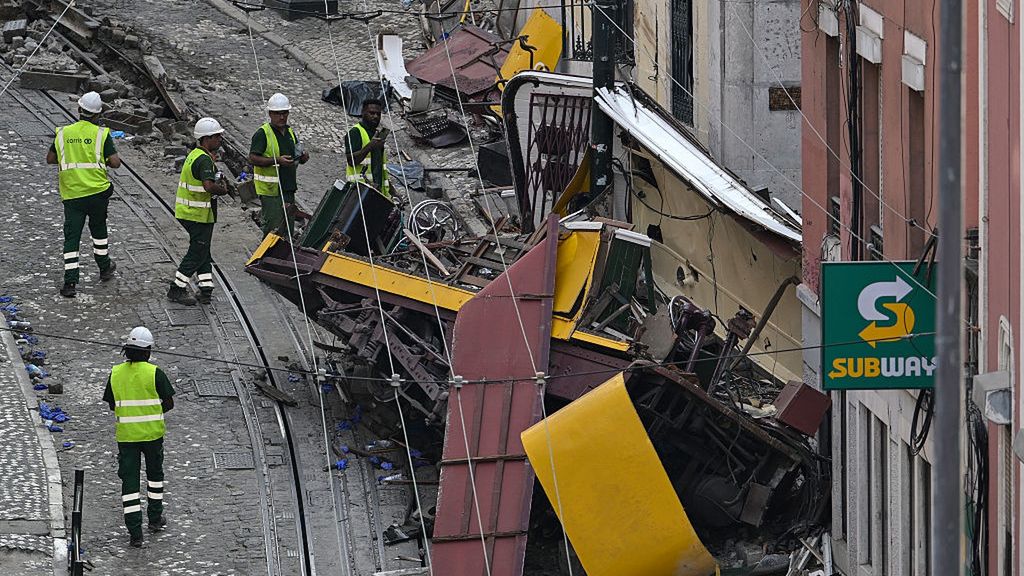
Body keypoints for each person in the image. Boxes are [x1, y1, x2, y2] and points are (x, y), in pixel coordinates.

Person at [102, 326, 174, 548]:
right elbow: (169, 403)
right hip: (152, 436)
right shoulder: (155, 373)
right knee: (154, 478)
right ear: (148, 351)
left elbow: (112, 404)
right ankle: (154, 519)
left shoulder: (115, 374)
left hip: (127, 438)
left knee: (130, 484)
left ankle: (135, 533)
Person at [45, 91, 120, 298]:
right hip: (97, 192)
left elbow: (50, 158)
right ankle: (104, 267)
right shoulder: (102, 135)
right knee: (99, 231)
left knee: (72, 237)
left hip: (73, 195)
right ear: (97, 115)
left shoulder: (63, 133)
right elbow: (115, 163)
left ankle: (70, 283)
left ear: (79, 110)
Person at [167, 118, 230, 306]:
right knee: (196, 252)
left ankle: (206, 289)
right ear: (206, 138)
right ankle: (176, 289)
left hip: (191, 212)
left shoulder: (195, 155)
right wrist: (224, 190)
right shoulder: (204, 160)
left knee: (203, 251)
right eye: (217, 136)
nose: (220, 139)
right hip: (197, 215)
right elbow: (209, 186)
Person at [249, 93, 309, 238]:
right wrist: (276, 160)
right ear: (270, 114)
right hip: (271, 192)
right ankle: (266, 258)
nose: (281, 117)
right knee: (273, 229)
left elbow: (296, 153)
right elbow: (252, 158)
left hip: (288, 187)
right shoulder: (263, 134)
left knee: (287, 228)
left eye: (284, 113)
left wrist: (302, 157)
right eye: (277, 114)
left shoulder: (289, 132)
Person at [344, 98, 390, 198]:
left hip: (376, 192)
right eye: (372, 113)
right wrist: (370, 146)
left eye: (378, 114)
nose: (375, 117)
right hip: (358, 192)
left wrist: (393, 192)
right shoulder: (355, 132)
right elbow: (351, 161)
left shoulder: (376, 135)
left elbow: (379, 169)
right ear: (363, 113)